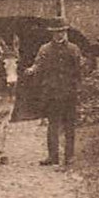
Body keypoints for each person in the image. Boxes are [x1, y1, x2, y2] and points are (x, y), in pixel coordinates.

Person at [23, 16, 84, 166]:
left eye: (62, 31)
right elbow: (38, 64)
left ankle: (69, 156)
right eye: (56, 32)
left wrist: (78, 85)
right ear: (52, 33)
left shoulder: (73, 49)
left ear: (65, 32)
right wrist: (32, 70)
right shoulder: (45, 49)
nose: (59, 35)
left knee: (69, 125)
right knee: (53, 125)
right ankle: (53, 156)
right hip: (51, 93)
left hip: (69, 92)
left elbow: (79, 69)